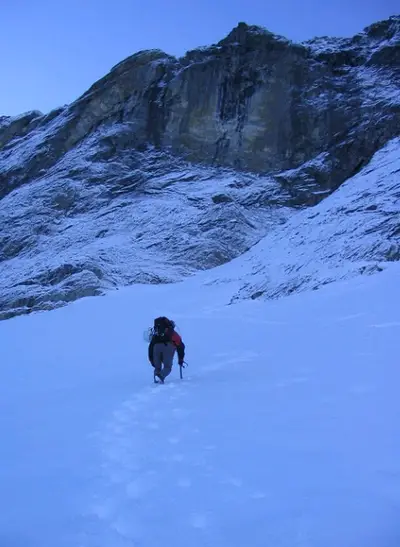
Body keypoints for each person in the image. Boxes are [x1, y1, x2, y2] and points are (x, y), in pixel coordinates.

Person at [148, 317, 185, 383]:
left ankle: (157, 378)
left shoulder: (156, 335)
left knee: (157, 367)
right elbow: (180, 346)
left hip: (156, 347)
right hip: (168, 347)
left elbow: (150, 347)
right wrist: (181, 359)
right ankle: (161, 376)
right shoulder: (172, 333)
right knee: (167, 367)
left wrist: (151, 360)